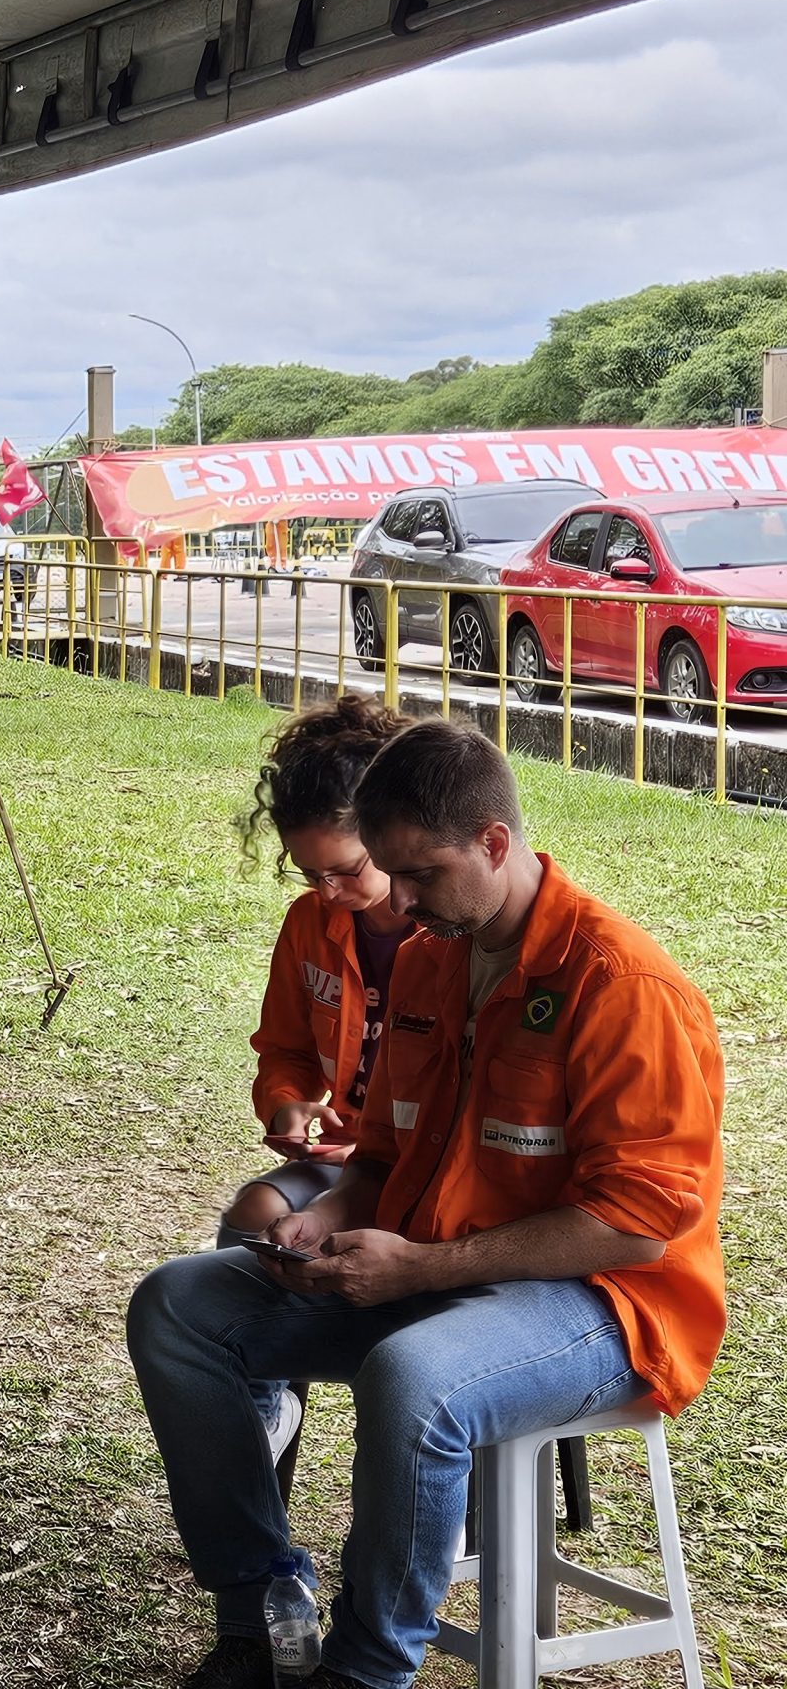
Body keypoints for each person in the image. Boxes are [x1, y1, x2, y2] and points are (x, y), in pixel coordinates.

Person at [128, 717, 726, 1689]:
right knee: (180, 1304)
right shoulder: (429, 960)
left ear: (494, 842)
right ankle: (261, 1613)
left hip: (609, 1304)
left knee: (415, 1376)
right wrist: (327, 1217)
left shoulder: (620, 983)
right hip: (438, 1273)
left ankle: (365, 1672)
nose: (399, 902)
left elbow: (636, 1225)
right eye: (391, 874)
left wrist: (422, 1268)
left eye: (418, 875)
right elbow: (386, 1156)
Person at [224, 697, 413, 1253]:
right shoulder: (309, 923)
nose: (329, 893)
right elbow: (287, 1048)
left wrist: (373, 1155)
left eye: (346, 870)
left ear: (395, 832)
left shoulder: (451, 930)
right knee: (257, 1210)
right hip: (344, 1154)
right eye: (309, 874)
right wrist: (287, 1105)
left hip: (424, 1165)